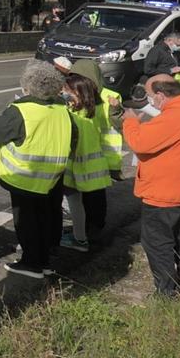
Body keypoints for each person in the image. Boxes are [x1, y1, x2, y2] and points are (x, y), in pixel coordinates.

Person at [123, 76, 180, 296]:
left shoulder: (174, 117)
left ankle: (166, 292)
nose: (150, 101)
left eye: (149, 96)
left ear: (161, 95)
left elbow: (139, 143)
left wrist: (130, 121)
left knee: (158, 243)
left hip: (163, 194)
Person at [0, 60, 75, 279]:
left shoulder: (21, 109)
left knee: (27, 221)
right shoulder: (62, 107)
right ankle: (47, 260)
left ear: (28, 86)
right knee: (49, 217)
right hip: (54, 174)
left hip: (26, 176)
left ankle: (32, 263)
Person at [59, 72, 117, 255]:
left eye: (67, 90)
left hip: (77, 169)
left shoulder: (75, 117)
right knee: (78, 204)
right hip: (90, 168)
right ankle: (80, 235)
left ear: (79, 94)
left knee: (74, 204)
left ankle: (79, 238)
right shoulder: (90, 112)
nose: (63, 93)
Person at [141, 21, 180, 87]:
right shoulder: (157, 50)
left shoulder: (170, 51)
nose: (178, 47)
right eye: (177, 45)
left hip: (167, 84)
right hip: (158, 84)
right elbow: (148, 70)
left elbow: (167, 65)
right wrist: (170, 70)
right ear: (169, 40)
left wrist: (179, 70)